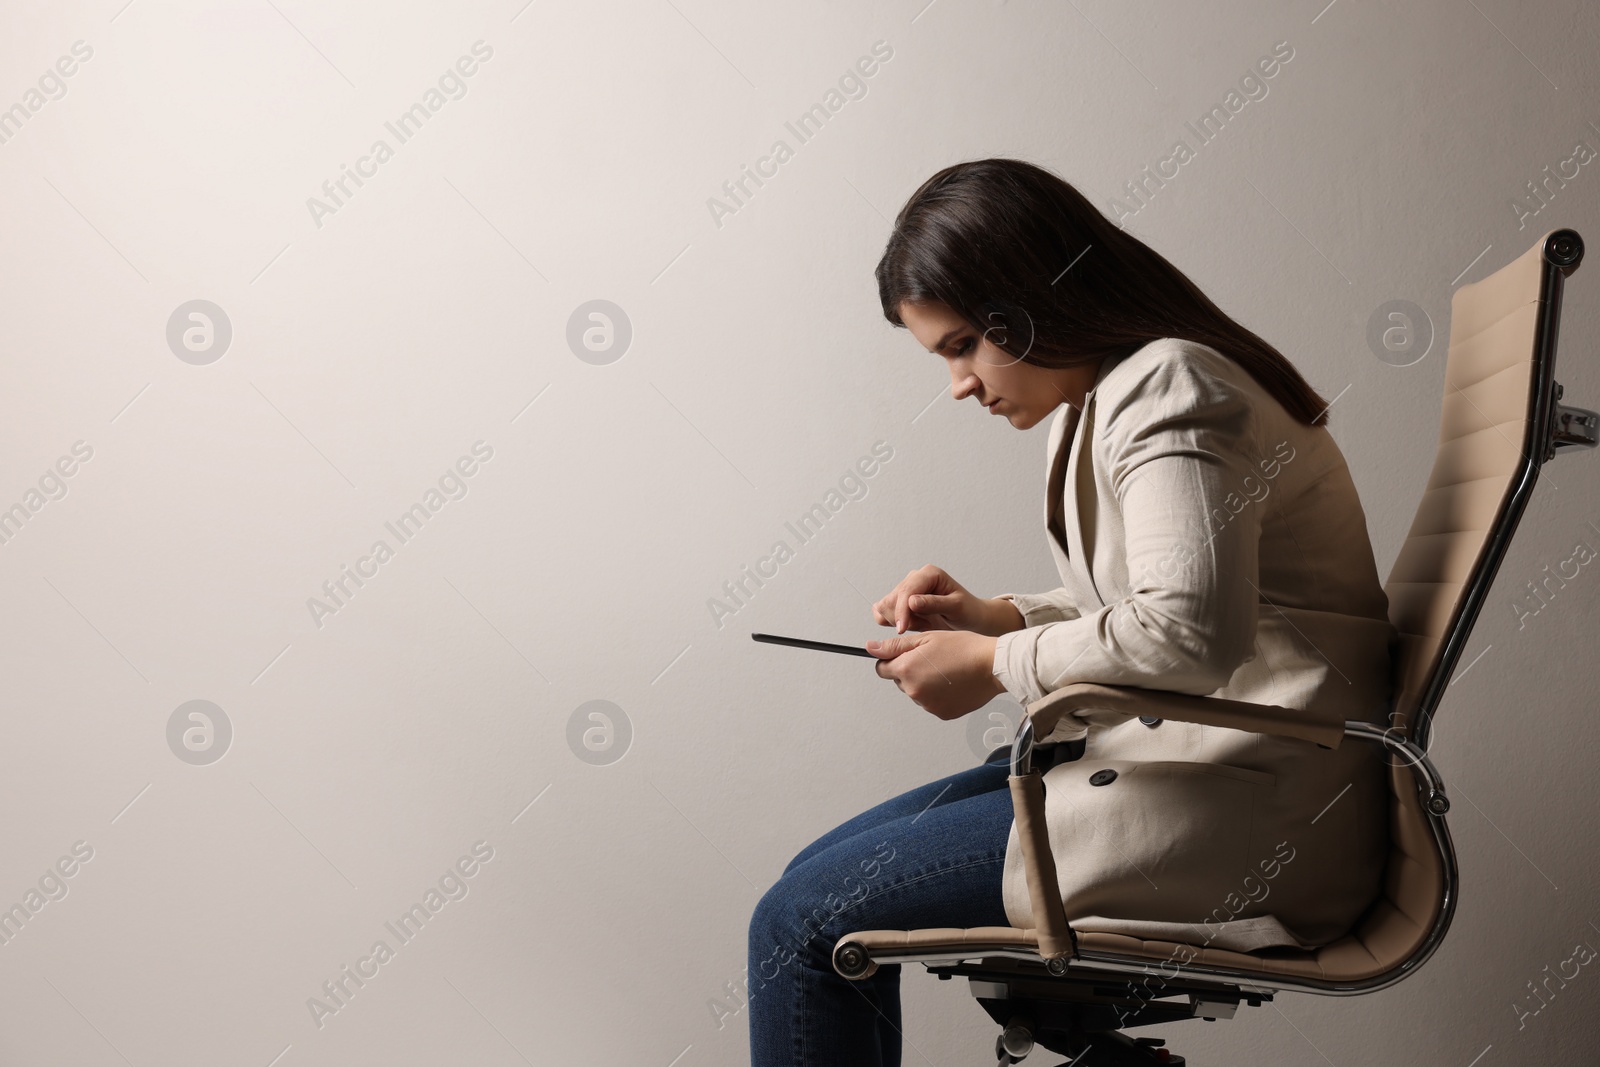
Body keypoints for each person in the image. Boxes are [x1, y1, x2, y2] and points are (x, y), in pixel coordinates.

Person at [746, 158, 1396, 1066]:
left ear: (1027, 305)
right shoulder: (1106, 394)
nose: (960, 384)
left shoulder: (1171, 390)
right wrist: (994, 617)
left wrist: (992, 666)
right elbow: (1158, 601)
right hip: (1198, 762)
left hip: (1254, 804)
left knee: (798, 923)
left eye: (963, 344)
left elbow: (1187, 631)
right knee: (805, 879)